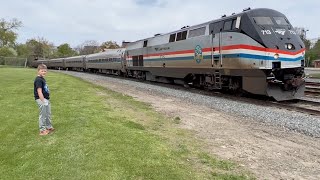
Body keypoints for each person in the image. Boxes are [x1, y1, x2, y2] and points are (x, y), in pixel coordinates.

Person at [34, 64, 54, 135]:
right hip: (41, 99)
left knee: (48, 113)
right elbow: (39, 91)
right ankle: (42, 130)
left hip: (46, 99)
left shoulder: (42, 78)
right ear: (38, 71)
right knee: (43, 115)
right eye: (42, 71)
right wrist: (43, 100)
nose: (44, 72)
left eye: (45, 71)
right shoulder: (38, 80)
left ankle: (48, 127)